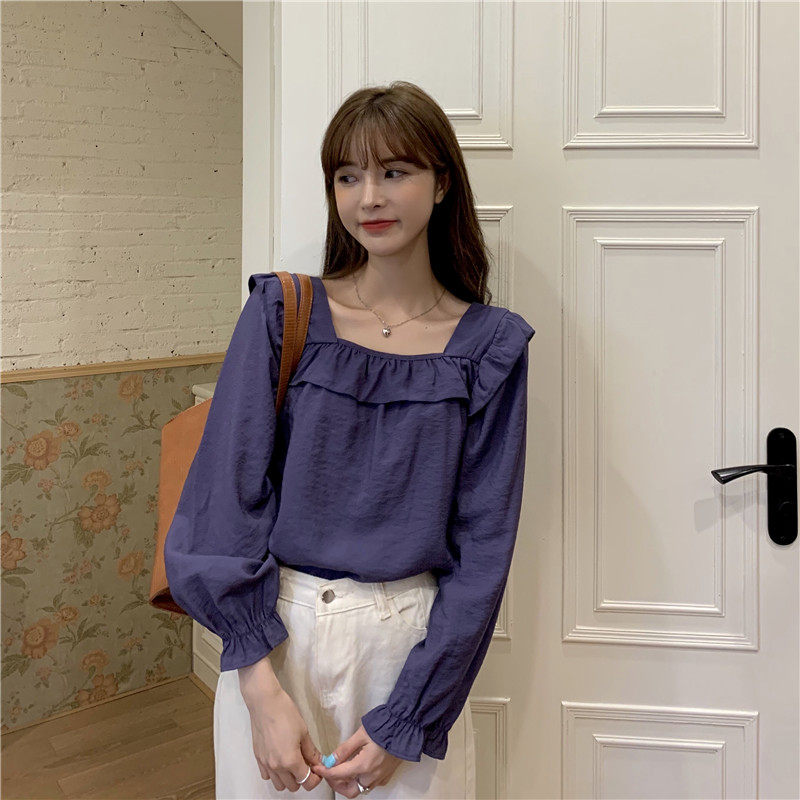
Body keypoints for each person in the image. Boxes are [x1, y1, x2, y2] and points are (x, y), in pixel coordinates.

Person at [164, 80, 535, 799]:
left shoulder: (489, 347)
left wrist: (411, 714)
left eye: (394, 172)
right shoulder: (283, 313)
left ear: (442, 183)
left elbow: (484, 547)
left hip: (409, 647)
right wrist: (257, 684)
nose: (369, 197)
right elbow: (224, 499)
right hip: (278, 636)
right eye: (347, 176)